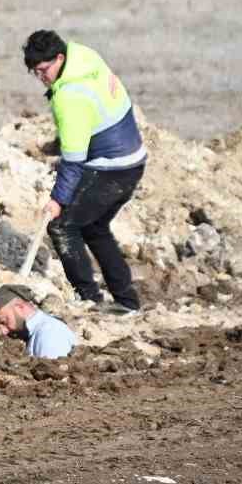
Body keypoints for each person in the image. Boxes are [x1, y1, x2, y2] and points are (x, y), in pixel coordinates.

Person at [23, 29, 146, 313]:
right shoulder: (84, 56)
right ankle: (127, 302)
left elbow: (74, 163)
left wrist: (58, 200)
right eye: (35, 72)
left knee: (63, 226)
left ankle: (88, 299)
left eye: (44, 70)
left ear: (59, 57)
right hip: (133, 159)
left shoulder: (69, 97)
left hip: (113, 168)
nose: (42, 77)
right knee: (93, 225)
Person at [0, 284, 77, 359]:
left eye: (4, 322)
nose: (3, 331)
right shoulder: (38, 332)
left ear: (20, 307)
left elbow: (53, 374)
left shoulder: (49, 333)